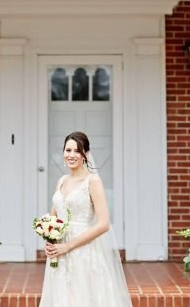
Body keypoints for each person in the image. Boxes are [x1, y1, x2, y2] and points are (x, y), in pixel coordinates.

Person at [39, 131, 132, 307]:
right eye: (68, 150)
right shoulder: (61, 181)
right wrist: (49, 238)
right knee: (61, 298)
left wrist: (68, 246)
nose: (71, 155)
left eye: (77, 151)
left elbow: (104, 224)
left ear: (85, 154)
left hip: (83, 251)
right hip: (59, 252)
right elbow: (54, 217)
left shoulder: (92, 181)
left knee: (81, 298)